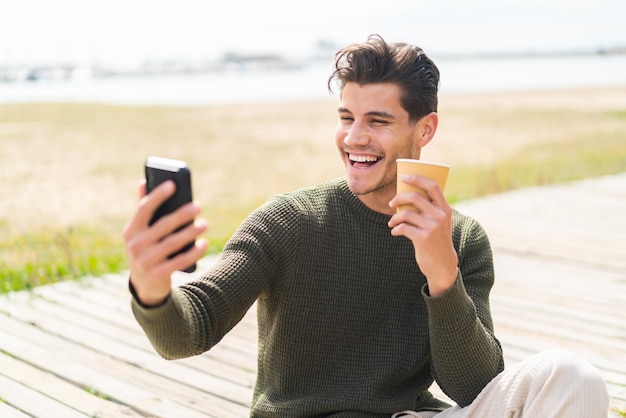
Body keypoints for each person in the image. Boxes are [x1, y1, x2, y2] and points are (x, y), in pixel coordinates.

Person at [123, 34, 609, 417]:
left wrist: (443, 276)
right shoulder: (290, 220)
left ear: (425, 130)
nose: (355, 138)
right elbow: (190, 331)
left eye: (377, 121)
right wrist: (151, 289)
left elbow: (474, 389)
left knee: (572, 377)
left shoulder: (462, 238)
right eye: (346, 117)